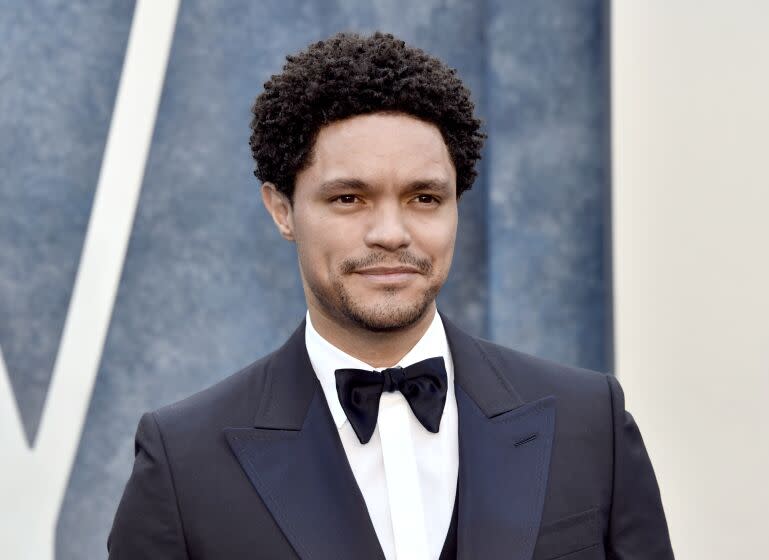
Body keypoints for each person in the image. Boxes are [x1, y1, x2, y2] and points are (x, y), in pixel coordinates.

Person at [107, 32, 673, 559]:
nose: (391, 232)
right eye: (349, 198)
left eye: (424, 198)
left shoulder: (589, 423)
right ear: (282, 210)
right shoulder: (184, 461)